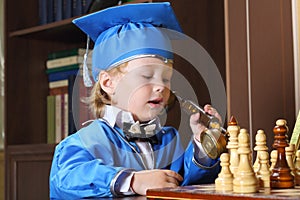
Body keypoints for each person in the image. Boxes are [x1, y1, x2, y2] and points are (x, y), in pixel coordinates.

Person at [49, 2, 223, 199]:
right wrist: (132, 180)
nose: (161, 86)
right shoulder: (87, 141)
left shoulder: (169, 140)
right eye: (146, 76)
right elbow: (66, 179)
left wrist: (203, 146)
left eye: (166, 78)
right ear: (108, 83)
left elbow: (185, 182)